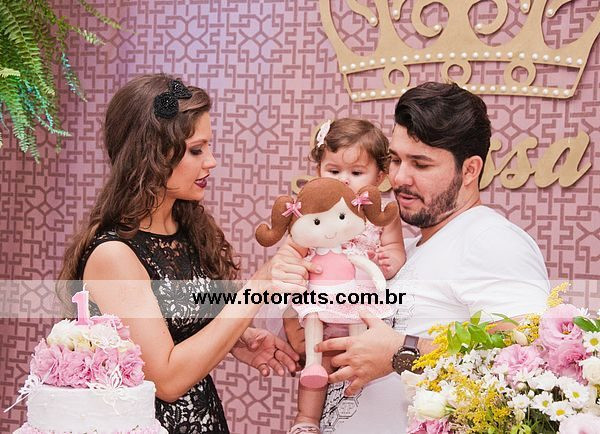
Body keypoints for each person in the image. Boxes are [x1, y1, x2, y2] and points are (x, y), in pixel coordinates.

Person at [57, 74, 316, 433]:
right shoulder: (114, 255)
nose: (211, 161)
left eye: (208, 147)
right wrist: (258, 286)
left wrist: (236, 341)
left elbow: (176, 330)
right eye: (196, 150)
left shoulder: (187, 230)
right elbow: (166, 380)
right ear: (153, 154)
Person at [300, 82, 550, 433]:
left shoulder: (491, 240)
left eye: (420, 164)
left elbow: (532, 359)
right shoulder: (403, 251)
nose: (400, 177)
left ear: (470, 170)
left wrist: (403, 352)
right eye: (396, 160)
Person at [284, 118, 406, 434]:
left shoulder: (381, 214)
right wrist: (292, 269)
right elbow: (292, 250)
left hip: (360, 307)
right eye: (334, 170)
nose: (344, 180)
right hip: (322, 305)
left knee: (360, 362)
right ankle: (306, 419)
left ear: (380, 177)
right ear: (318, 170)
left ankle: (356, 420)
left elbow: (395, 249)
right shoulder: (313, 212)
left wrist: (389, 261)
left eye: (356, 172)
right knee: (319, 361)